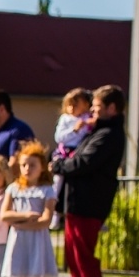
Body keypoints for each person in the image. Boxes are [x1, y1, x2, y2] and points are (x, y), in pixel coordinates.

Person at [53, 85, 126, 277]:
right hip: (76, 202)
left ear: (112, 108)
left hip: (90, 202)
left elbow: (84, 163)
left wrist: (57, 166)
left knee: (84, 255)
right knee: (73, 256)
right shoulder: (96, 131)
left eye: (97, 107)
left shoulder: (109, 135)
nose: (92, 112)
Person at [1, 141, 60, 277]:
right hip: (19, 242)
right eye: (24, 165)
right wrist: (26, 217)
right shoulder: (14, 188)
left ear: (41, 167)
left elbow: (45, 220)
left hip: (37, 242)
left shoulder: (47, 190)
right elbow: (5, 215)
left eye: (32, 165)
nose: (27, 169)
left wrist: (21, 224)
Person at [50, 88, 92, 217]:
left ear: (85, 105)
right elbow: (59, 138)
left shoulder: (87, 118)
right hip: (65, 153)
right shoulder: (65, 119)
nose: (72, 108)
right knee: (57, 183)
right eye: (69, 105)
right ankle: (54, 212)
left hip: (79, 153)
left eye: (76, 105)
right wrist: (74, 130)